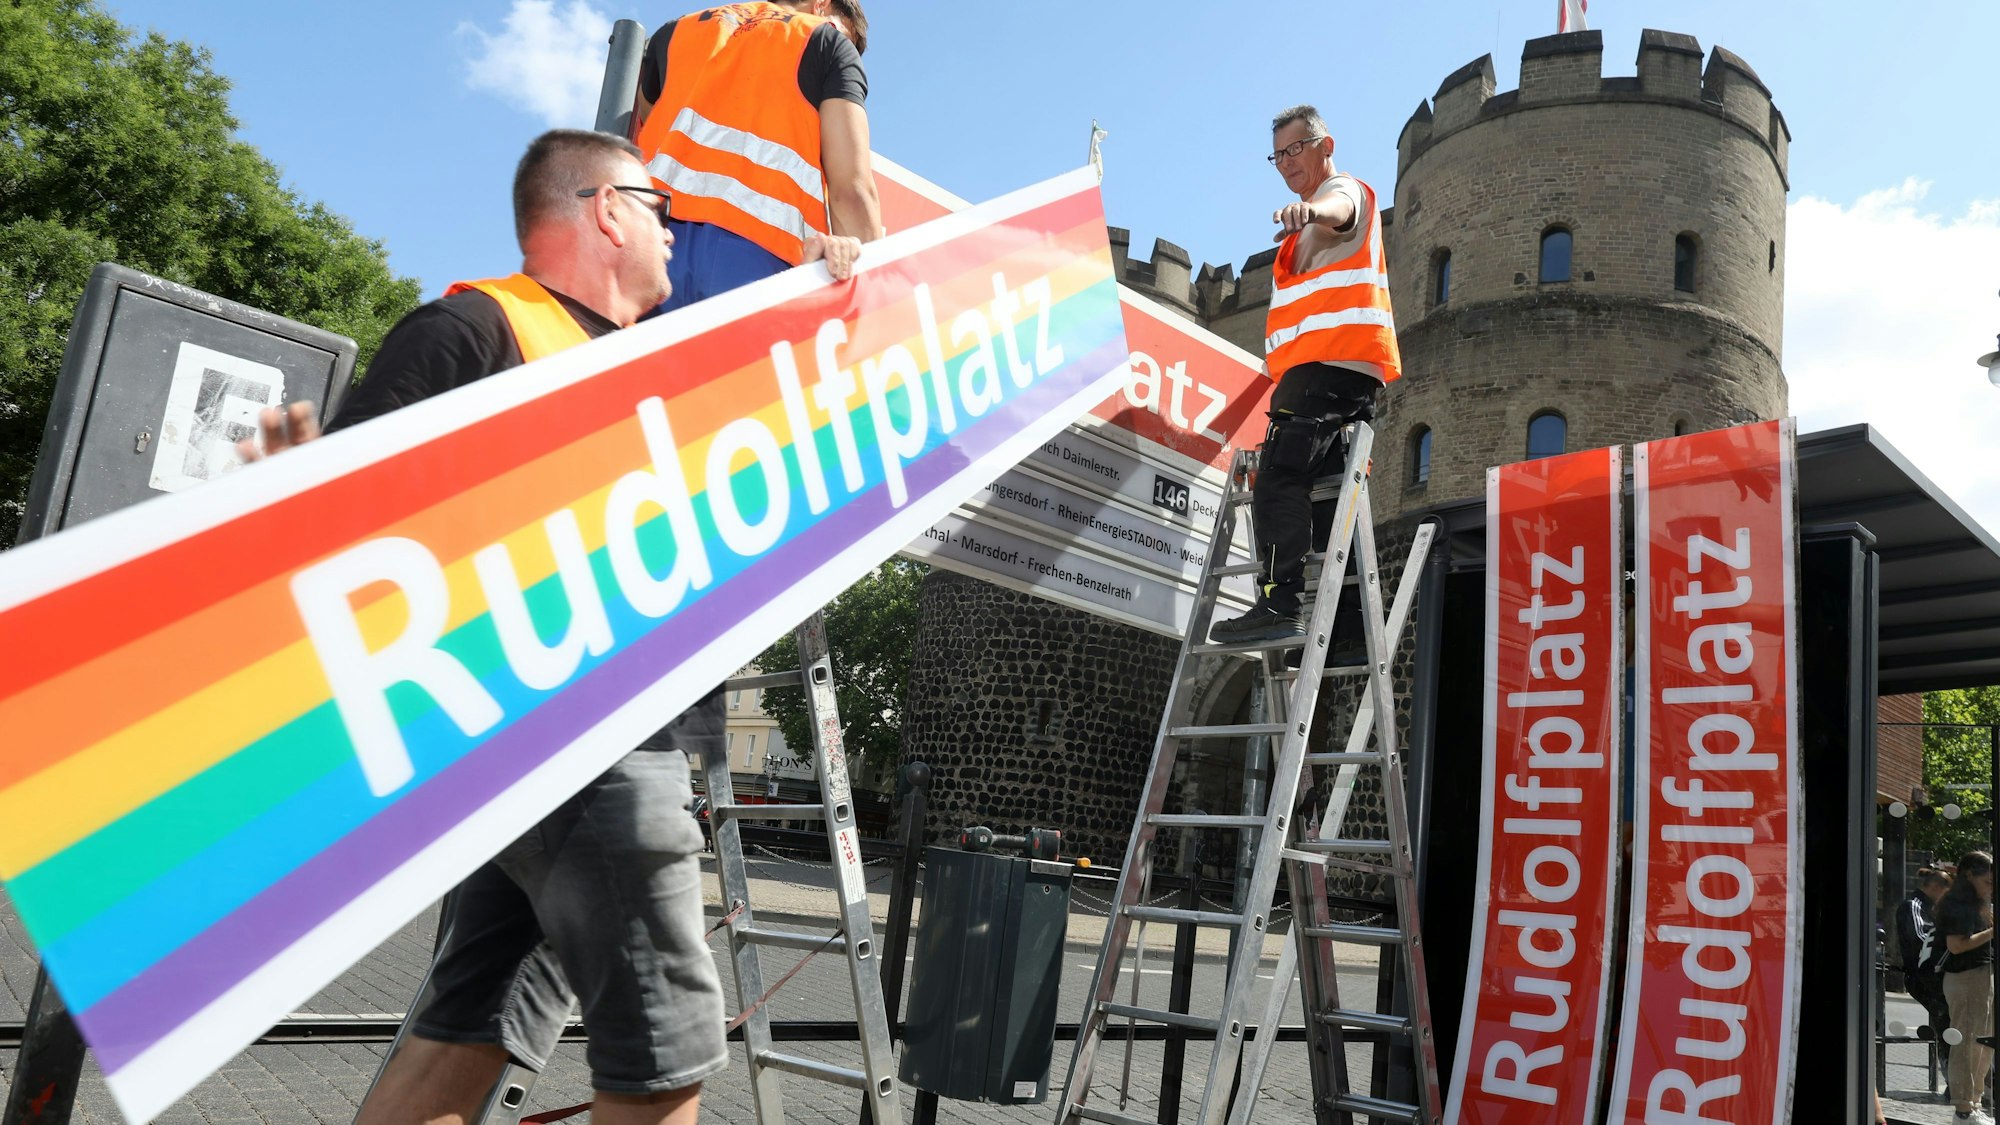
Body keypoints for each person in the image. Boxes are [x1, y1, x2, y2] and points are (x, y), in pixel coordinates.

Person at [243, 128, 862, 1125]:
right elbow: (340, 529)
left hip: (552, 762)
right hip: (582, 749)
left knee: (468, 1030)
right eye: (661, 208)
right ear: (606, 211)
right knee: (664, 1063)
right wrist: (290, 498)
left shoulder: (635, 369)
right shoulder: (478, 330)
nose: (677, 231)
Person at [1209, 104, 1401, 644]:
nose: (1287, 162)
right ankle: (1348, 629)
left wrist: (1310, 214)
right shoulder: (1302, 232)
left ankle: (1278, 603)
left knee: (1278, 477)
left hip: (1330, 367)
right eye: (1278, 155)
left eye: (1297, 149)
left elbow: (1340, 205)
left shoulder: (1346, 193)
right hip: (1338, 372)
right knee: (1329, 506)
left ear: (1325, 145)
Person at [631, 0, 881, 313]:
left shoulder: (676, 30)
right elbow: (852, 192)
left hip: (650, 249)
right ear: (821, 5)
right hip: (757, 260)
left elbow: (648, 119)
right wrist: (873, 293)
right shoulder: (825, 42)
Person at [1938, 850, 1997, 1124]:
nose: (1991, 887)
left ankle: (1973, 1103)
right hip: (1966, 976)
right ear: (1970, 875)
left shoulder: (1976, 903)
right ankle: (1963, 1108)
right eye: (1987, 881)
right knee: (1967, 1041)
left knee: (1982, 1042)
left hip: (1981, 974)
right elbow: (1957, 945)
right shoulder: (1957, 903)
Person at [1900, 867, 1957, 1067]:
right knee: (1945, 1022)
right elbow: (1919, 937)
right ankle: (1949, 1070)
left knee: (1947, 1022)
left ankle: (1950, 1069)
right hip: (1922, 976)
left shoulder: (1933, 909)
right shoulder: (1914, 906)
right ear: (1935, 887)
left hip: (1932, 974)